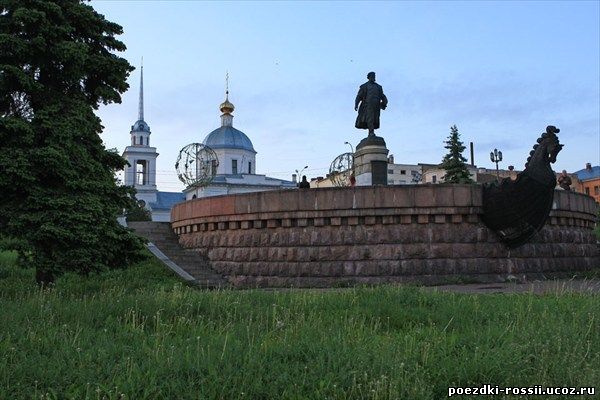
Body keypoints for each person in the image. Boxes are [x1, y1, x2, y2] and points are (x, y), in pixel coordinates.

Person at [355, 72, 388, 136]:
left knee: (375, 118)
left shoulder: (378, 87)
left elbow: (382, 96)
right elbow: (359, 96)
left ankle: (371, 132)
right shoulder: (364, 86)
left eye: (374, 76)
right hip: (368, 104)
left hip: (376, 105)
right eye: (372, 76)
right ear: (369, 77)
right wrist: (356, 104)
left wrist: (384, 102)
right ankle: (371, 132)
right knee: (370, 118)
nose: (374, 77)